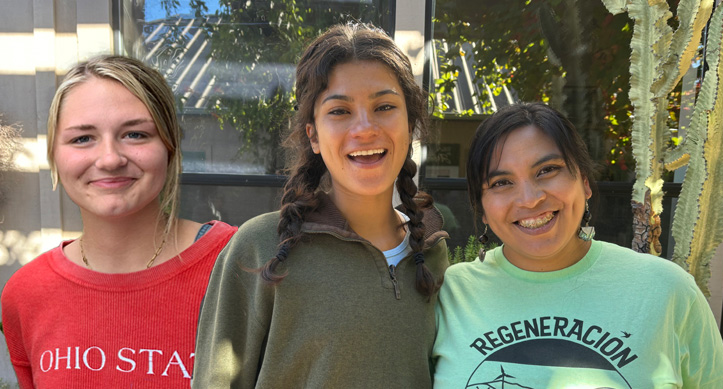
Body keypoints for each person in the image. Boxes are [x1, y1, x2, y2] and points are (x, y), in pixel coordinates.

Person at [192, 23, 449, 388]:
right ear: (313, 135)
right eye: (340, 111)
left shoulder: (432, 251)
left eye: (385, 106)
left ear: (411, 124)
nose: (365, 128)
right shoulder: (262, 246)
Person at [432, 102, 723, 388]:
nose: (530, 198)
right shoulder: (448, 294)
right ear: (482, 209)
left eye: (547, 170)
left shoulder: (667, 290)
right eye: (501, 182)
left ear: (585, 182)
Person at [1, 55, 237, 388]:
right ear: (55, 153)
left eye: (135, 134)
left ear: (170, 148)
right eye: (82, 138)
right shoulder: (26, 294)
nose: (110, 159)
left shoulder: (240, 265)